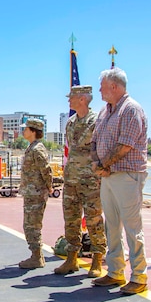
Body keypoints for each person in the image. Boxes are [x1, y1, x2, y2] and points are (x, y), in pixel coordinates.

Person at [90, 67, 149, 295]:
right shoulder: (105, 112)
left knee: (132, 228)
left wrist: (103, 166)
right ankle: (115, 272)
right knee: (111, 226)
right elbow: (95, 141)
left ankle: (139, 276)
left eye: (103, 86)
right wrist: (97, 164)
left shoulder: (131, 109)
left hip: (127, 175)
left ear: (114, 86)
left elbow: (125, 145)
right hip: (109, 176)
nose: (100, 91)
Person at [55, 85, 107, 277]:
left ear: (83, 99)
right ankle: (71, 259)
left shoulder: (97, 121)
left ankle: (97, 260)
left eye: (73, 97)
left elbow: (101, 148)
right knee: (71, 219)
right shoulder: (70, 122)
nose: (69, 100)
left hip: (90, 180)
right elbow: (69, 149)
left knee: (93, 219)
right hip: (71, 180)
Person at [17, 118, 54, 269]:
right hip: (32, 192)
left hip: (36, 193)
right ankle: (36, 255)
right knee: (30, 225)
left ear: (33, 131)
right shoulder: (32, 147)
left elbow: (46, 170)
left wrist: (49, 187)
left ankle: (36, 257)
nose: (23, 131)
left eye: (26, 129)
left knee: (32, 225)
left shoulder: (37, 149)